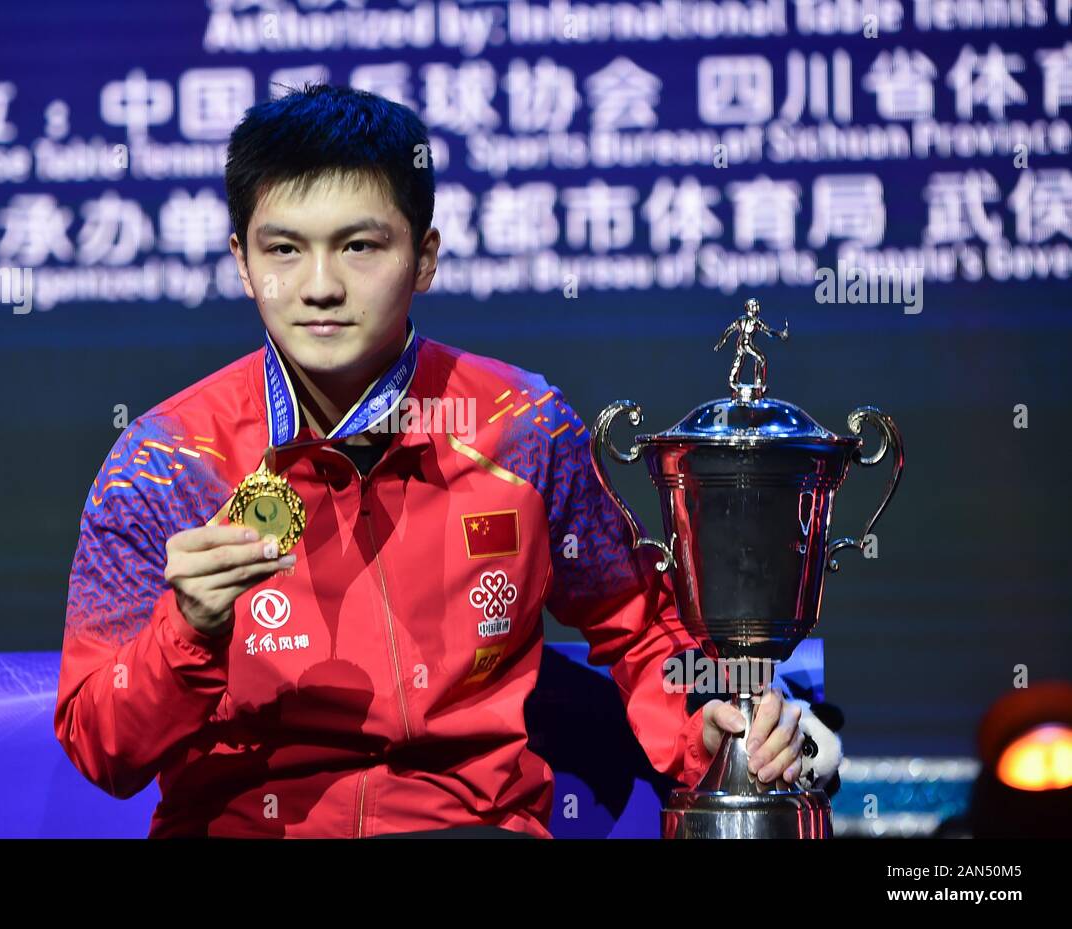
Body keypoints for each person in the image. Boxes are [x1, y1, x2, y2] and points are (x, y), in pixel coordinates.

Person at [54, 82, 830, 838]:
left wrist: (708, 726)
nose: (320, 286)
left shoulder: (522, 430)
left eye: (359, 246)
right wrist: (185, 632)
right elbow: (99, 746)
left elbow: (643, 630)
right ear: (242, 262)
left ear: (424, 258)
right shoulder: (164, 462)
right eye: (283, 249)